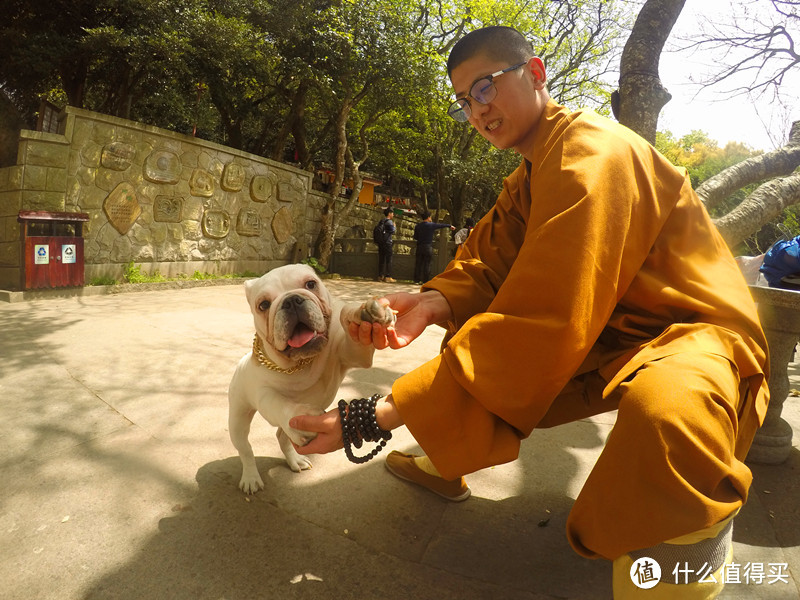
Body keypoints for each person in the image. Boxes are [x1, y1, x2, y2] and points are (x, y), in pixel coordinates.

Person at [291, 26, 769, 598]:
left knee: (670, 417)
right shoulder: (527, 176)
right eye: (465, 100)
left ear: (537, 72)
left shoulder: (596, 149)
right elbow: (488, 270)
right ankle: (447, 461)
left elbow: (550, 307)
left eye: (486, 87)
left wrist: (375, 415)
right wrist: (432, 301)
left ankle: (688, 561)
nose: (477, 110)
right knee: (470, 327)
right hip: (603, 336)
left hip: (689, 334)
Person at [412, 211, 455, 284]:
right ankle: (425, 281)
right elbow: (440, 225)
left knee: (418, 263)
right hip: (428, 247)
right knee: (427, 264)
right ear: (428, 217)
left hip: (419, 247)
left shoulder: (418, 226)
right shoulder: (431, 225)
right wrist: (449, 226)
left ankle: (416, 280)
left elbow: (415, 237)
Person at [374, 207, 396, 283]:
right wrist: (394, 227)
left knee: (381, 260)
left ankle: (380, 276)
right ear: (389, 213)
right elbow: (392, 231)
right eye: (392, 213)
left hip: (381, 243)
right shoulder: (389, 222)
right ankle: (388, 276)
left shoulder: (381, 221)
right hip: (387, 243)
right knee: (389, 260)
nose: (393, 214)